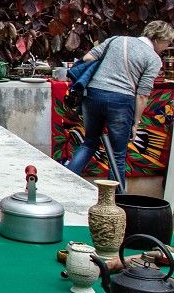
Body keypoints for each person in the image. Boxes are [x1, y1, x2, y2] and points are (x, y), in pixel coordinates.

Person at [63, 21, 174, 192]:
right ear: (160, 39)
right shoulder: (153, 59)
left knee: (89, 143)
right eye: (168, 43)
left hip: (92, 94)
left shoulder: (116, 40)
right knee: (118, 156)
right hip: (121, 101)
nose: (167, 47)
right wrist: (135, 123)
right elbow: (143, 94)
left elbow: (88, 58)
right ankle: (115, 202)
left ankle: (64, 184)